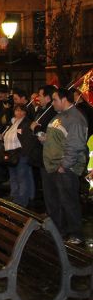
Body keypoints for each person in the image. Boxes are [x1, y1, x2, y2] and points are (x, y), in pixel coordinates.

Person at [42, 87, 89, 244]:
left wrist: (64, 166)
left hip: (65, 169)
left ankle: (75, 234)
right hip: (53, 166)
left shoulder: (75, 119)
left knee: (68, 202)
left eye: (54, 100)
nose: (52, 103)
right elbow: (56, 137)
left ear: (64, 100)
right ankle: (58, 231)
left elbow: (75, 145)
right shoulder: (59, 116)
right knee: (54, 201)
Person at [1, 105, 36, 207]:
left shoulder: (26, 123)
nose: (18, 113)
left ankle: (22, 199)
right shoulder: (12, 123)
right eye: (16, 110)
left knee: (22, 177)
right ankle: (15, 195)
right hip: (11, 153)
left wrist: (24, 153)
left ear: (25, 112)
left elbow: (28, 140)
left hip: (21, 153)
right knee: (13, 176)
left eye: (21, 111)